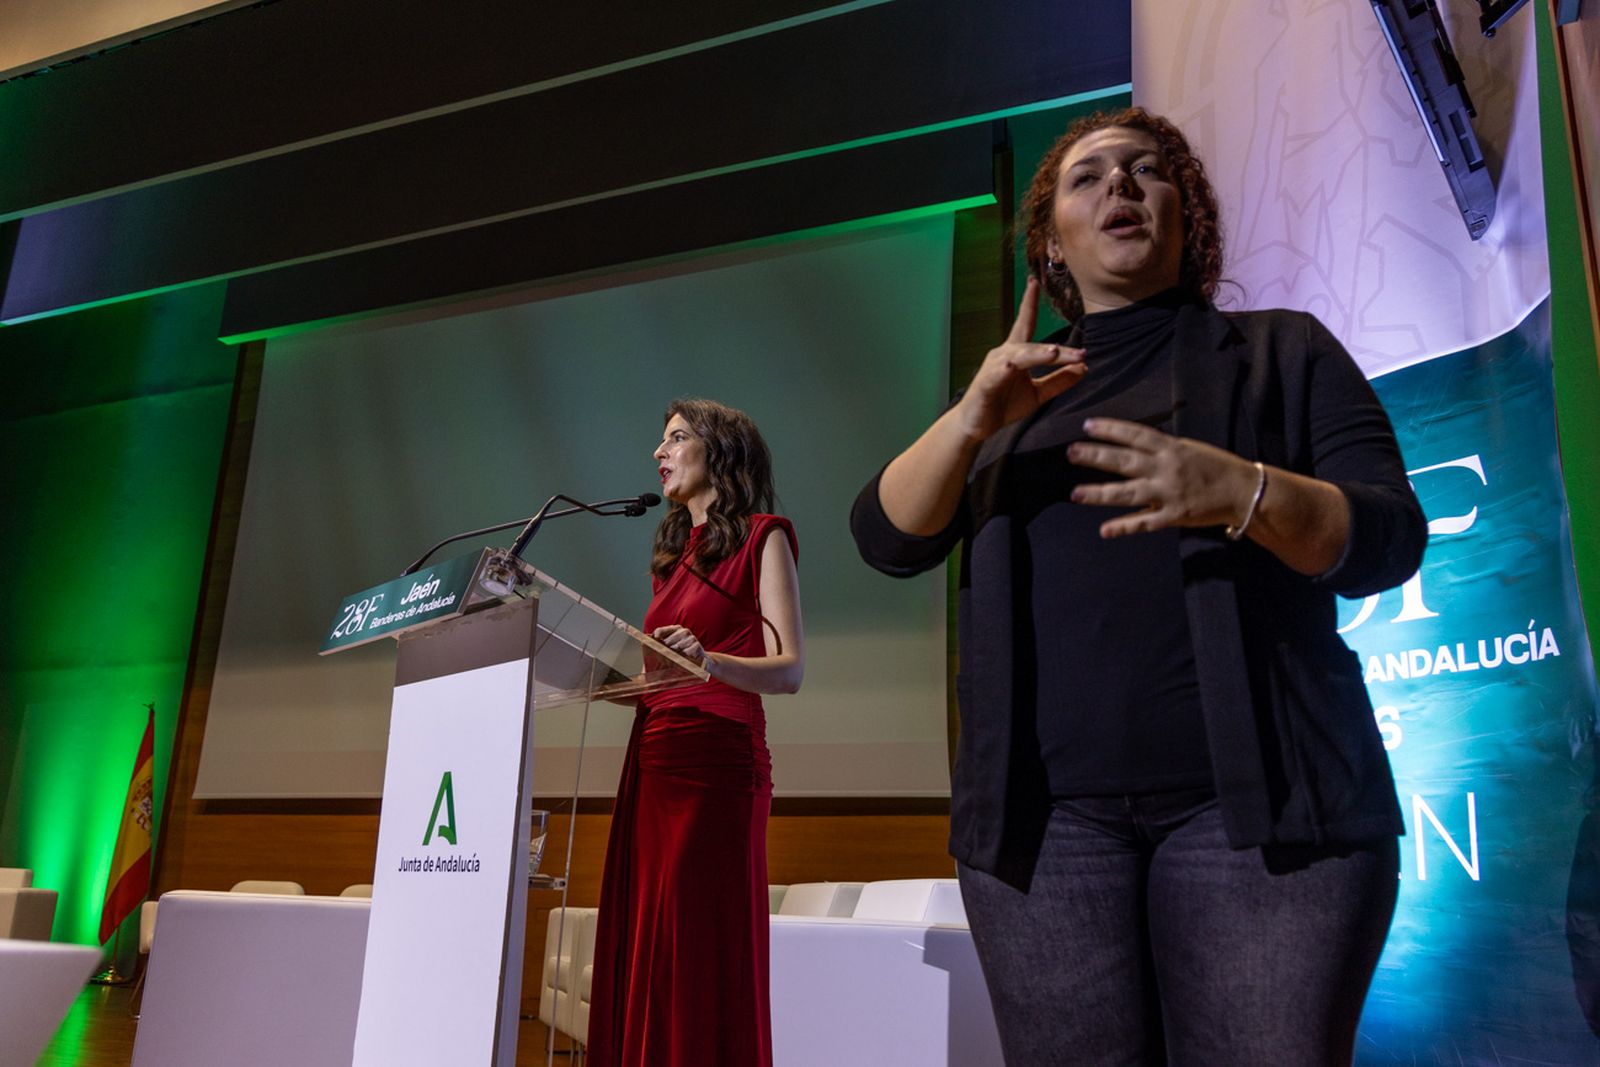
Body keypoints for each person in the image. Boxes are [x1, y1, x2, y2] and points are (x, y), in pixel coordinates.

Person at [850, 107, 1427, 1065]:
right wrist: (969, 415)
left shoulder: (1283, 351)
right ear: (1051, 248)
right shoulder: (1009, 403)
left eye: (1146, 170)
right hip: (1048, 836)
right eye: (1089, 177)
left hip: (1260, 821)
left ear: (1183, 216)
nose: (1119, 185)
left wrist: (1240, 489)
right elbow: (885, 538)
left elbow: (1389, 539)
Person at [587, 397, 804, 1067]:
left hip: (717, 769)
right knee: (649, 944)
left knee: (696, 947)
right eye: (662, 439)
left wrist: (708, 663)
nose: (660, 451)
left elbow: (789, 670)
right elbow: (670, 674)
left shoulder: (765, 536)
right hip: (654, 763)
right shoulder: (671, 558)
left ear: (720, 451)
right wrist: (621, 685)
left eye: (677, 437)